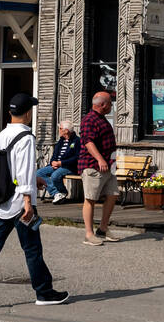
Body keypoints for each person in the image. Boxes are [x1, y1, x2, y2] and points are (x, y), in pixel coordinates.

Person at [0, 93, 69, 310]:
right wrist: (28, 201)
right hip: (20, 203)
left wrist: (34, 178)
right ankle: (44, 293)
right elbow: (24, 169)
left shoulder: (2, 134)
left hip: (1, 200)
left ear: (10, 112)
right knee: (32, 250)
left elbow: (8, 167)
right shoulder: (27, 138)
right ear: (27, 113)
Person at [79, 91, 119, 245]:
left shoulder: (101, 118)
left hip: (108, 165)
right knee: (90, 198)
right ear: (102, 105)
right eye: (110, 102)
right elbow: (89, 142)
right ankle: (89, 234)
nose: (111, 105)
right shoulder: (89, 119)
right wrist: (100, 159)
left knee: (113, 194)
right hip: (93, 165)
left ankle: (102, 228)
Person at [36, 121, 80, 204]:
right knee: (38, 173)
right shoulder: (61, 141)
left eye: (60, 128)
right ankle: (56, 193)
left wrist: (61, 163)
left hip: (69, 167)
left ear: (66, 130)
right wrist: (53, 162)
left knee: (55, 175)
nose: (59, 130)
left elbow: (76, 158)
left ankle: (62, 192)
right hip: (57, 165)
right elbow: (54, 155)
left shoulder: (77, 141)